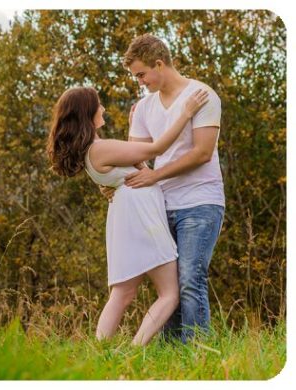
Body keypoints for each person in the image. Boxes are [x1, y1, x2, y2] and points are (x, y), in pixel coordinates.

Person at [47, 86, 209, 345]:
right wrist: (186, 112)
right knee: (169, 293)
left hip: (126, 216)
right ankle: (136, 349)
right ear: (87, 112)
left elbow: (132, 160)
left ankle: (100, 352)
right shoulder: (100, 149)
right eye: (98, 105)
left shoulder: (96, 148)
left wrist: (134, 126)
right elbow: (155, 149)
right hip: (141, 216)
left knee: (123, 292)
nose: (103, 108)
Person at [107, 34, 226, 343]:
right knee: (170, 287)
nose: (140, 82)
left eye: (142, 74)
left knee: (190, 279)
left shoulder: (202, 96)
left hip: (200, 202)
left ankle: (198, 352)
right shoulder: (145, 107)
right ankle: (172, 354)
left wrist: (156, 176)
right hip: (160, 206)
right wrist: (113, 186)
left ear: (159, 64)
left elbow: (202, 153)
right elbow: (136, 159)